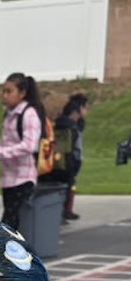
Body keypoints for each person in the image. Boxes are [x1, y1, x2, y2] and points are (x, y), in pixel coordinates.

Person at [0, 72, 46, 232]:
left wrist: (0, 152)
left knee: (9, 224)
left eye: (9, 91)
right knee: (11, 223)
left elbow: (30, 145)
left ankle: (4, 247)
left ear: (22, 93)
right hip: (8, 178)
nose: (5, 96)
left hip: (22, 178)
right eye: (3, 91)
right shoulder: (9, 114)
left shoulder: (29, 114)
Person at [52, 93, 89, 222]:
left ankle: (61, 211)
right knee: (68, 186)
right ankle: (65, 212)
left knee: (59, 186)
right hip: (69, 162)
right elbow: (76, 149)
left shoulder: (58, 124)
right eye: (85, 107)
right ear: (79, 109)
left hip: (57, 161)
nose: (86, 111)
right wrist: (76, 163)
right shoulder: (72, 128)